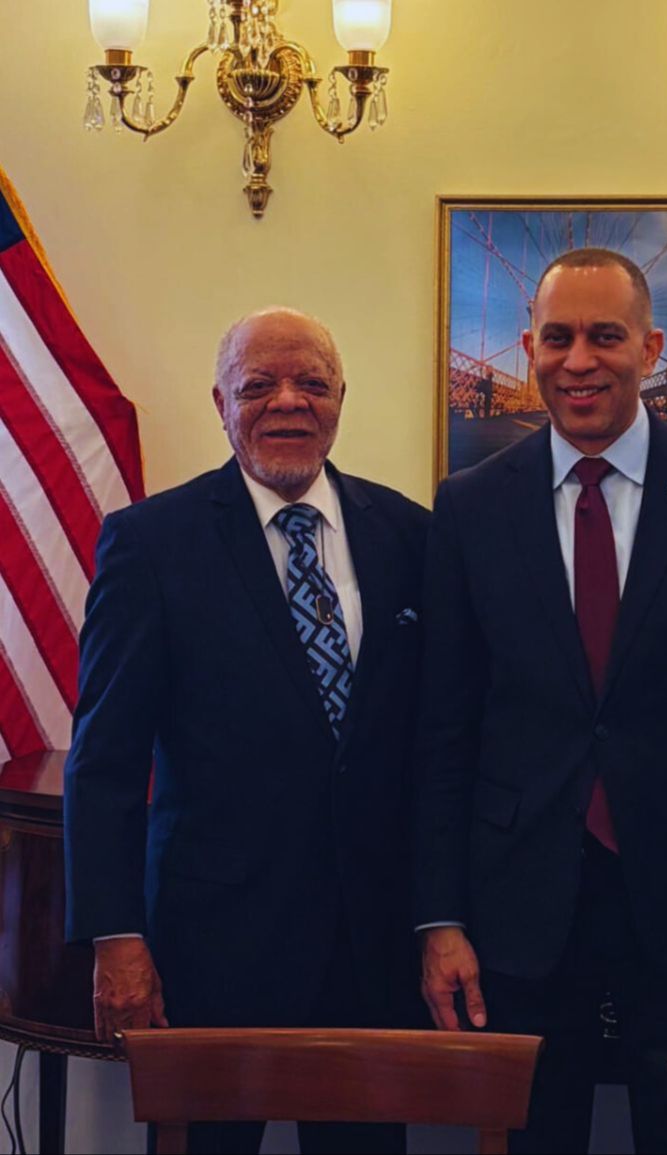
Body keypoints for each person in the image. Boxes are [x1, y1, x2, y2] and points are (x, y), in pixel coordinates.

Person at [414, 248, 667, 1154]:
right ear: (527, 347)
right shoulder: (468, 507)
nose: (578, 359)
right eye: (557, 337)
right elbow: (442, 729)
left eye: (605, 335)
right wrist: (439, 918)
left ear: (653, 347)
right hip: (516, 913)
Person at [64, 307, 429, 1154]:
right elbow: (105, 763)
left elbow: (432, 745)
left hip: (372, 952)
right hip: (212, 952)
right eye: (259, 385)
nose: (287, 403)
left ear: (341, 397)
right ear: (220, 402)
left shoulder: (410, 535)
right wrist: (117, 939)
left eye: (310, 382)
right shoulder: (151, 544)